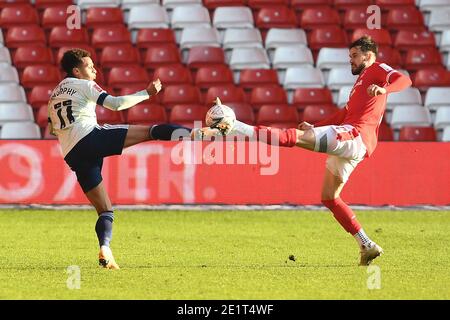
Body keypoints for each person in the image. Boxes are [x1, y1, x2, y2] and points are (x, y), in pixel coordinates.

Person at [221, 36, 412, 265]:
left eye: (354, 56)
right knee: (329, 197)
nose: (350, 61)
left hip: (353, 135)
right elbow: (343, 114)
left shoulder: (378, 69)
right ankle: (366, 245)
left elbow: (404, 80)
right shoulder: (360, 83)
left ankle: (235, 126)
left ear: (368, 55)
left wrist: (384, 89)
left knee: (290, 137)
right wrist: (317, 127)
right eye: (349, 56)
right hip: (354, 141)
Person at [48, 48, 219, 269]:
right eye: (89, 66)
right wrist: (146, 93)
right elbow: (115, 104)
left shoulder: (54, 94)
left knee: (106, 210)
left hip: (72, 153)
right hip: (89, 137)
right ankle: (199, 133)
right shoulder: (84, 84)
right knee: (151, 131)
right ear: (76, 71)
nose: (94, 70)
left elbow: (53, 129)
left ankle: (105, 250)